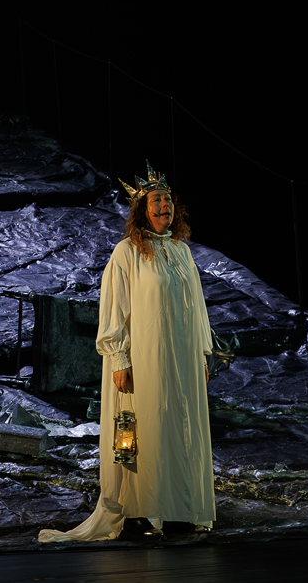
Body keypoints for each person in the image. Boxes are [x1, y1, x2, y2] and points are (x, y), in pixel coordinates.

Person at [39, 162, 215, 542]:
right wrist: (118, 357)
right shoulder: (127, 253)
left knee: (180, 430)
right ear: (142, 210)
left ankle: (180, 511)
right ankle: (138, 512)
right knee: (141, 431)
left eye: (168, 200)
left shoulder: (182, 253)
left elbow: (197, 308)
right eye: (157, 201)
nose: (165, 206)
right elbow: (114, 309)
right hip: (145, 360)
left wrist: (203, 354)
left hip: (182, 360)